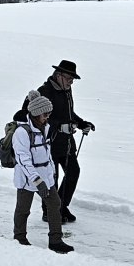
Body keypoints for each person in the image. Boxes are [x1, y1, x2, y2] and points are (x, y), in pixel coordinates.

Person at [10, 60, 95, 222]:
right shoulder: (44, 92)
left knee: (73, 172)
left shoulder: (66, 91)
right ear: (58, 75)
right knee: (51, 179)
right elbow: (28, 116)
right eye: (69, 78)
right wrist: (59, 127)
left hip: (66, 143)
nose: (71, 82)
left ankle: (61, 207)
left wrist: (81, 123)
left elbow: (68, 114)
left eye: (73, 80)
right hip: (47, 144)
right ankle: (49, 211)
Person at [12, 90, 72, 254]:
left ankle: (55, 241)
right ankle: (19, 238)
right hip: (27, 179)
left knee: (55, 204)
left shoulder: (45, 127)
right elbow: (23, 160)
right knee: (23, 209)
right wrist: (37, 181)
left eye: (49, 114)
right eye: (45, 114)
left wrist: (51, 173)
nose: (48, 117)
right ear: (36, 113)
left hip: (45, 176)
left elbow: (47, 153)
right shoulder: (22, 132)